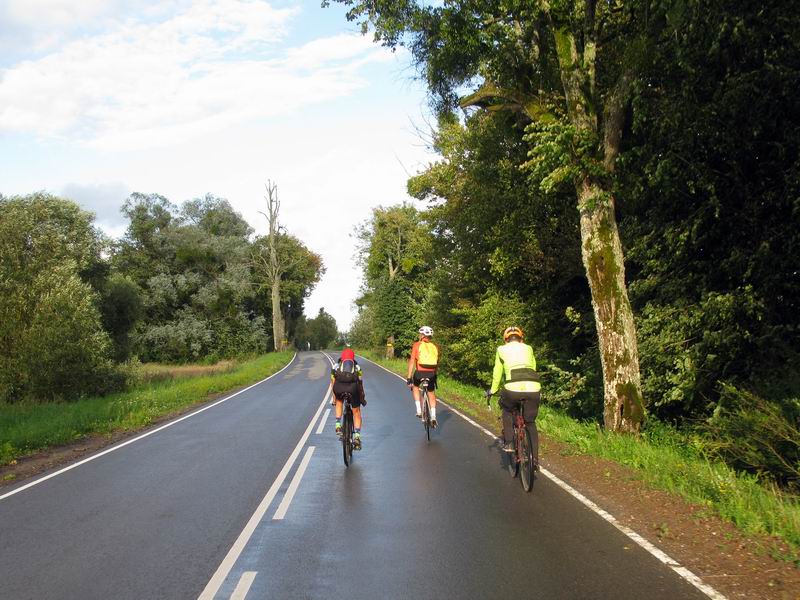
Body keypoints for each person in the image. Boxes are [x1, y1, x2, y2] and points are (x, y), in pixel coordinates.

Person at [488, 327, 541, 462]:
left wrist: (493, 391)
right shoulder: (528, 348)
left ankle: (510, 442)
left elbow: (497, 373)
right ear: (521, 339)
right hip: (533, 388)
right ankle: (534, 459)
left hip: (512, 388)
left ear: (506, 340)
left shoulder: (501, 349)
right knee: (530, 422)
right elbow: (533, 367)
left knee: (507, 409)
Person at [330, 347, 366, 449]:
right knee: (356, 412)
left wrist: (334, 398)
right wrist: (362, 396)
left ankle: (337, 425)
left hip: (339, 388)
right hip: (353, 389)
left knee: (339, 402)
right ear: (352, 358)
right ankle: (357, 437)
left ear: (342, 357)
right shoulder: (357, 367)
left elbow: (333, 382)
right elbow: (360, 382)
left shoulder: (336, 366)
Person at [406, 326, 440, 427]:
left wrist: (409, 377)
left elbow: (412, 361)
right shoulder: (435, 346)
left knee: (415, 387)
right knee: (431, 392)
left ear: (422, 335)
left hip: (420, 373)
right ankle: (433, 416)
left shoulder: (417, 345)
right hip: (431, 373)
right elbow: (437, 363)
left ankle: (419, 410)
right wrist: (434, 375)